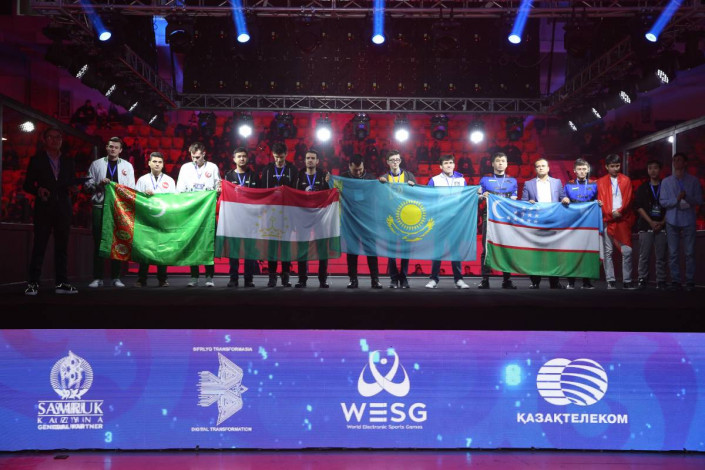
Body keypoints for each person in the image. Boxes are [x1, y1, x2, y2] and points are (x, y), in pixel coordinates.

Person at [23, 127, 78, 295]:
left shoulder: (68, 161)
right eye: (51, 137)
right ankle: (33, 283)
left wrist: (74, 189)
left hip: (63, 208)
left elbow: (71, 183)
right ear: (44, 139)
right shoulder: (37, 160)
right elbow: (27, 185)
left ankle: (61, 283)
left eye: (58, 137)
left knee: (62, 247)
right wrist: (38, 190)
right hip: (44, 207)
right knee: (39, 246)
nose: (55, 140)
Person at [85, 136, 135, 288]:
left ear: (120, 150)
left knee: (118, 241)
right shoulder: (97, 164)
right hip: (99, 206)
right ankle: (97, 277)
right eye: (110, 146)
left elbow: (131, 189)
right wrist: (98, 184)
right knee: (99, 241)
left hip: (118, 209)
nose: (113, 149)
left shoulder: (127, 166)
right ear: (106, 148)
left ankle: (116, 277)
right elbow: (87, 185)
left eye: (116, 147)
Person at [176, 142, 221, 287]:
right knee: (193, 244)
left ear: (204, 154)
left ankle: (209, 277)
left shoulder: (212, 167)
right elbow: (179, 190)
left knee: (208, 244)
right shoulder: (185, 168)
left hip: (207, 212)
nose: (195, 160)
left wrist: (218, 190)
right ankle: (194, 277)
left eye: (197, 157)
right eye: (192, 157)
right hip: (191, 212)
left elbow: (218, 187)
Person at [424, 154, 470, 289]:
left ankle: (459, 280)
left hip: (456, 221)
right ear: (441, 166)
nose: (448, 165)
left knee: (455, 250)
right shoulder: (434, 180)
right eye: (445, 163)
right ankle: (433, 279)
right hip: (440, 220)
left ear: (454, 165)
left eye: (450, 163)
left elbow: (466, 198)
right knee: (437, 250)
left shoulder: (461, 180)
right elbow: (427, 199)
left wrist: (476, 193)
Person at [659, 152, 703, 292]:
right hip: (672, 219)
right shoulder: (666, 182)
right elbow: (663, 202)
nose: (676, 162)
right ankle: (676, 280)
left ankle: (690, 281)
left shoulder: (693, 181)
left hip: (688, 218)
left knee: (689, 252)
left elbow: (699, 200)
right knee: (673, 252)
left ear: (685, 163)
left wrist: (687, 197)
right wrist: (676, 199)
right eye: (674, 160)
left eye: (679, 160)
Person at [522, 157, 566, 289]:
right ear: (535, 169)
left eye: (543, 166)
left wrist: (565, 199)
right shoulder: (528, 184)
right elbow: (523, 202)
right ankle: (535, 281)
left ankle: (554, 282)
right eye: (538, 166)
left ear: (548, 168)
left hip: (553, 222)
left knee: (554, 253)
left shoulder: (557, 182)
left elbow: (562, 196)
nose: (540, 168)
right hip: (536, 222)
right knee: (536, 253)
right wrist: (528, 202)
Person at [340, 154, 383, 289]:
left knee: (371, 251)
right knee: (352, 251)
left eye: (360, 169)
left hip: (368, 221)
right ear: (349, 167)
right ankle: (353, 279)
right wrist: (329, 180)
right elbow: (333, 191)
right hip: (350, 220)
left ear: (364, 166)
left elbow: (380, 194)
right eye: (355, 170)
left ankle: (375, 280)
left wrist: (382, 183)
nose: (358, 172)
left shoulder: (371, 178)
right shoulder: (343, 178)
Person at [134, 152, 176, 288]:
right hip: (146, 219)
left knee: (162, 249)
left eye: (160, 162)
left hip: (163, 220)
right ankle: (141, 279)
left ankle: (162, 279)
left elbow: (173, 201)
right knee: (145, 249)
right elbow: (136, 199)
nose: (157, 164)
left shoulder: (170, 181)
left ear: (163, 165)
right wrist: (144, 195)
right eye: (155, 161)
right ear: (149, 163)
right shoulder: (142, 180)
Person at [478, 152, 519, 289]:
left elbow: (513, 201)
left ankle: (507, 280)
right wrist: (482, 196)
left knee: (506, 249)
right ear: (492, 164)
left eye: (503, 161)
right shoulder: (485, 180)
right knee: (486, 249)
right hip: (488, 218)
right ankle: (485, 279)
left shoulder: (513, 181)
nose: (500, 163)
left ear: (506, 164)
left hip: (506, 220)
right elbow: (478, 197)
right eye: (497, 160)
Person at [260, 142, 298, 287]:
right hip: (271, 214)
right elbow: (263, 192)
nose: (279, 160)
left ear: (286, 155)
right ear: (273, 155)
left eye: (281, 157)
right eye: (276, 157)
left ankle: (285, 276)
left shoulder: (292, 169)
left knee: (286, 246)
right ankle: (272, 276)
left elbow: (295, 192)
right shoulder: (267, 170)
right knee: (272, 246)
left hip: (287, 213)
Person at [597, 154, 636, 290]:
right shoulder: (600, 182)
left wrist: (620, 211)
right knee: (608, 252)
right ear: (606, 167)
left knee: (627, 251)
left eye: (617, 166)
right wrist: (610, 213)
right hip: (607, 219)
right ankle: (611, 280)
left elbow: (629, 199)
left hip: (622, 218)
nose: (615, 168)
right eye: (612, 166)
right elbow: (599, 200)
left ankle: (627, 281)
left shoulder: (626, 180)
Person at [293, 149, 331, 288]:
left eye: (313, 158)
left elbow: (330, 193)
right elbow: (293, 197)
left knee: (322, 248)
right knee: (302, 248)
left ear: (317, 161)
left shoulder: (324, 176)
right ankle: (302, 279)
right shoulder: (298, 177)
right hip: (303, 217)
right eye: (308, 158)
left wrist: (331, 183)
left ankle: (323, 279)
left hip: (320, 217)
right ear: (304, 160)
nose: (310, 160)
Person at [379, 150, 416, 289]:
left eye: (397, 160)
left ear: (400, 161)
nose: (395, 162)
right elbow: (379, 198)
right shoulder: (384, 178)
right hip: (391, 220)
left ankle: (404, 277)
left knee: (406, 250)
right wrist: (379, 184)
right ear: (387, 162)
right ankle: (394, 278)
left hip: (406, 220)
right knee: (391, 251)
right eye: (392, 160)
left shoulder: (409, 176)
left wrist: (413, 187)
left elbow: (417, 195)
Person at [223, 147, 259, 288]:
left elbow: (260, 196)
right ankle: (233, 278)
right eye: (239, 156)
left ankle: (248, 279)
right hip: (234, 218)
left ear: (247, 158)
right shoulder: (229, 176)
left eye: (244, 156)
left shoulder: (254, 176)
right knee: (234, 250)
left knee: (249, 250)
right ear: (234, 159)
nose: (242, 158)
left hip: (250, 218)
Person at [561, 158, 599, 289]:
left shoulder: (594, 184)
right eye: (579, 169)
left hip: (589, 225)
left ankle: (586, 282)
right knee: (572, 253)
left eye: (584, 169)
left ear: (588, 170)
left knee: (587, 253)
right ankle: (571, 282)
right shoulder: (568, 185)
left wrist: (599, 202)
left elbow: (599, 200)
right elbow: (562, 199)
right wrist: (564, 199)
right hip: (573, 224)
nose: (582, 171)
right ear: (574, 171)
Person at [635, 160, 668, 290]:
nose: (653, 171)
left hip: (662, 225)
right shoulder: (642, 188)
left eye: (655, 168)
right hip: (646, 225)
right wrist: (651, 222)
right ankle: (642, 279)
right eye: (650, 168)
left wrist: (662, 222)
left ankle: (661, 280)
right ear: (647, 170)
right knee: (644, 255)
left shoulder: (666, 186)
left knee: (661, 255)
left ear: (660, 170)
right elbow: (638, 207)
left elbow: (670, 207)